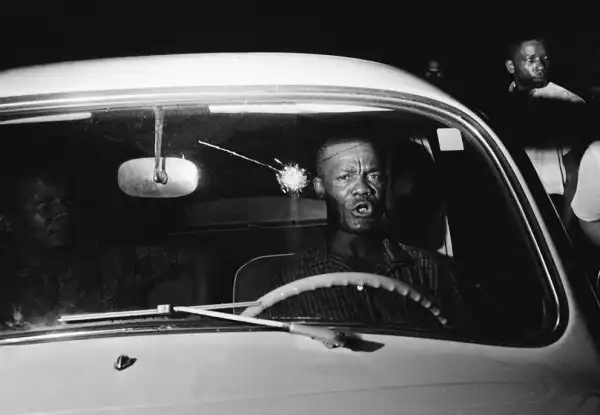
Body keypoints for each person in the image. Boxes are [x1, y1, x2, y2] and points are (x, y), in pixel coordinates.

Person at [254, 135, 470, 329]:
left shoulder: (431, 271)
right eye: (345, 177)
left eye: (373, 175)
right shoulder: (290, 280)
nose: (363, 188)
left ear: (385, 183)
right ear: (320, 187)